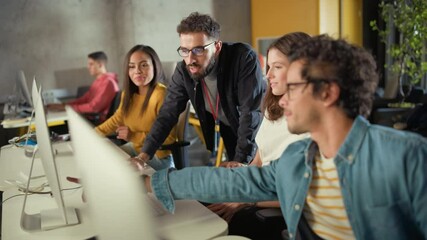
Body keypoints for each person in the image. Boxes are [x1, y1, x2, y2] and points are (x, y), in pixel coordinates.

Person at [140, 35, 427, 239]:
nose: (283, 100)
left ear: (327, 92)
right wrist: (152, 182)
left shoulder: (407, 157)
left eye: (292, 88)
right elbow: (232, 181)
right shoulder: (297, 159)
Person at [207, 32, 311, 240]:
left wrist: (247, 199)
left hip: (276, 209)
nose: (268, 75)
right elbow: (261, 158)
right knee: (202, 199)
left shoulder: (310, 124)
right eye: (269, 66)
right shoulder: (274, 107)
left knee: (213, 219)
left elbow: (299, 193)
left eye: (277, 67)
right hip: (258, 191)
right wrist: (242, 172)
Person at [134, 12, 265, 167]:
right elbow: (167, 114)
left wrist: (240, 160)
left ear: (217, 47)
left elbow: (250, 113)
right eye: (184, 50)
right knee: (240, 182)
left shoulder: (243, 58)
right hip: (230, 126)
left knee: (262, 178)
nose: (190, 60)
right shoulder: (184, 70)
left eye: (198, 50)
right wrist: (143, 156)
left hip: (261, 128)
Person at [95, 45, 176, 170]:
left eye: (144, 65)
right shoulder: (129, 94)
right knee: (103, 158)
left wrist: (133, 136)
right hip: (136, 149)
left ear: (155, 66)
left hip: (158, 158)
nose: (137, 71)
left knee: (113, 169)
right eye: (132, 66)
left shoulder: (161, 95)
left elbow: (169, 137)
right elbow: (117, 119)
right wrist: (93, 134)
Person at [48, 51, 119, 123]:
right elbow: (84, 99)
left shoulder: (108, 83)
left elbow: (94, 108)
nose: (88, 67)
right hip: (91, 118)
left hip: (98, 122)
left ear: (100, 65)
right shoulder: (98, 81)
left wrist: (67, 108)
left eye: (91, 64)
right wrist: (64, 105)